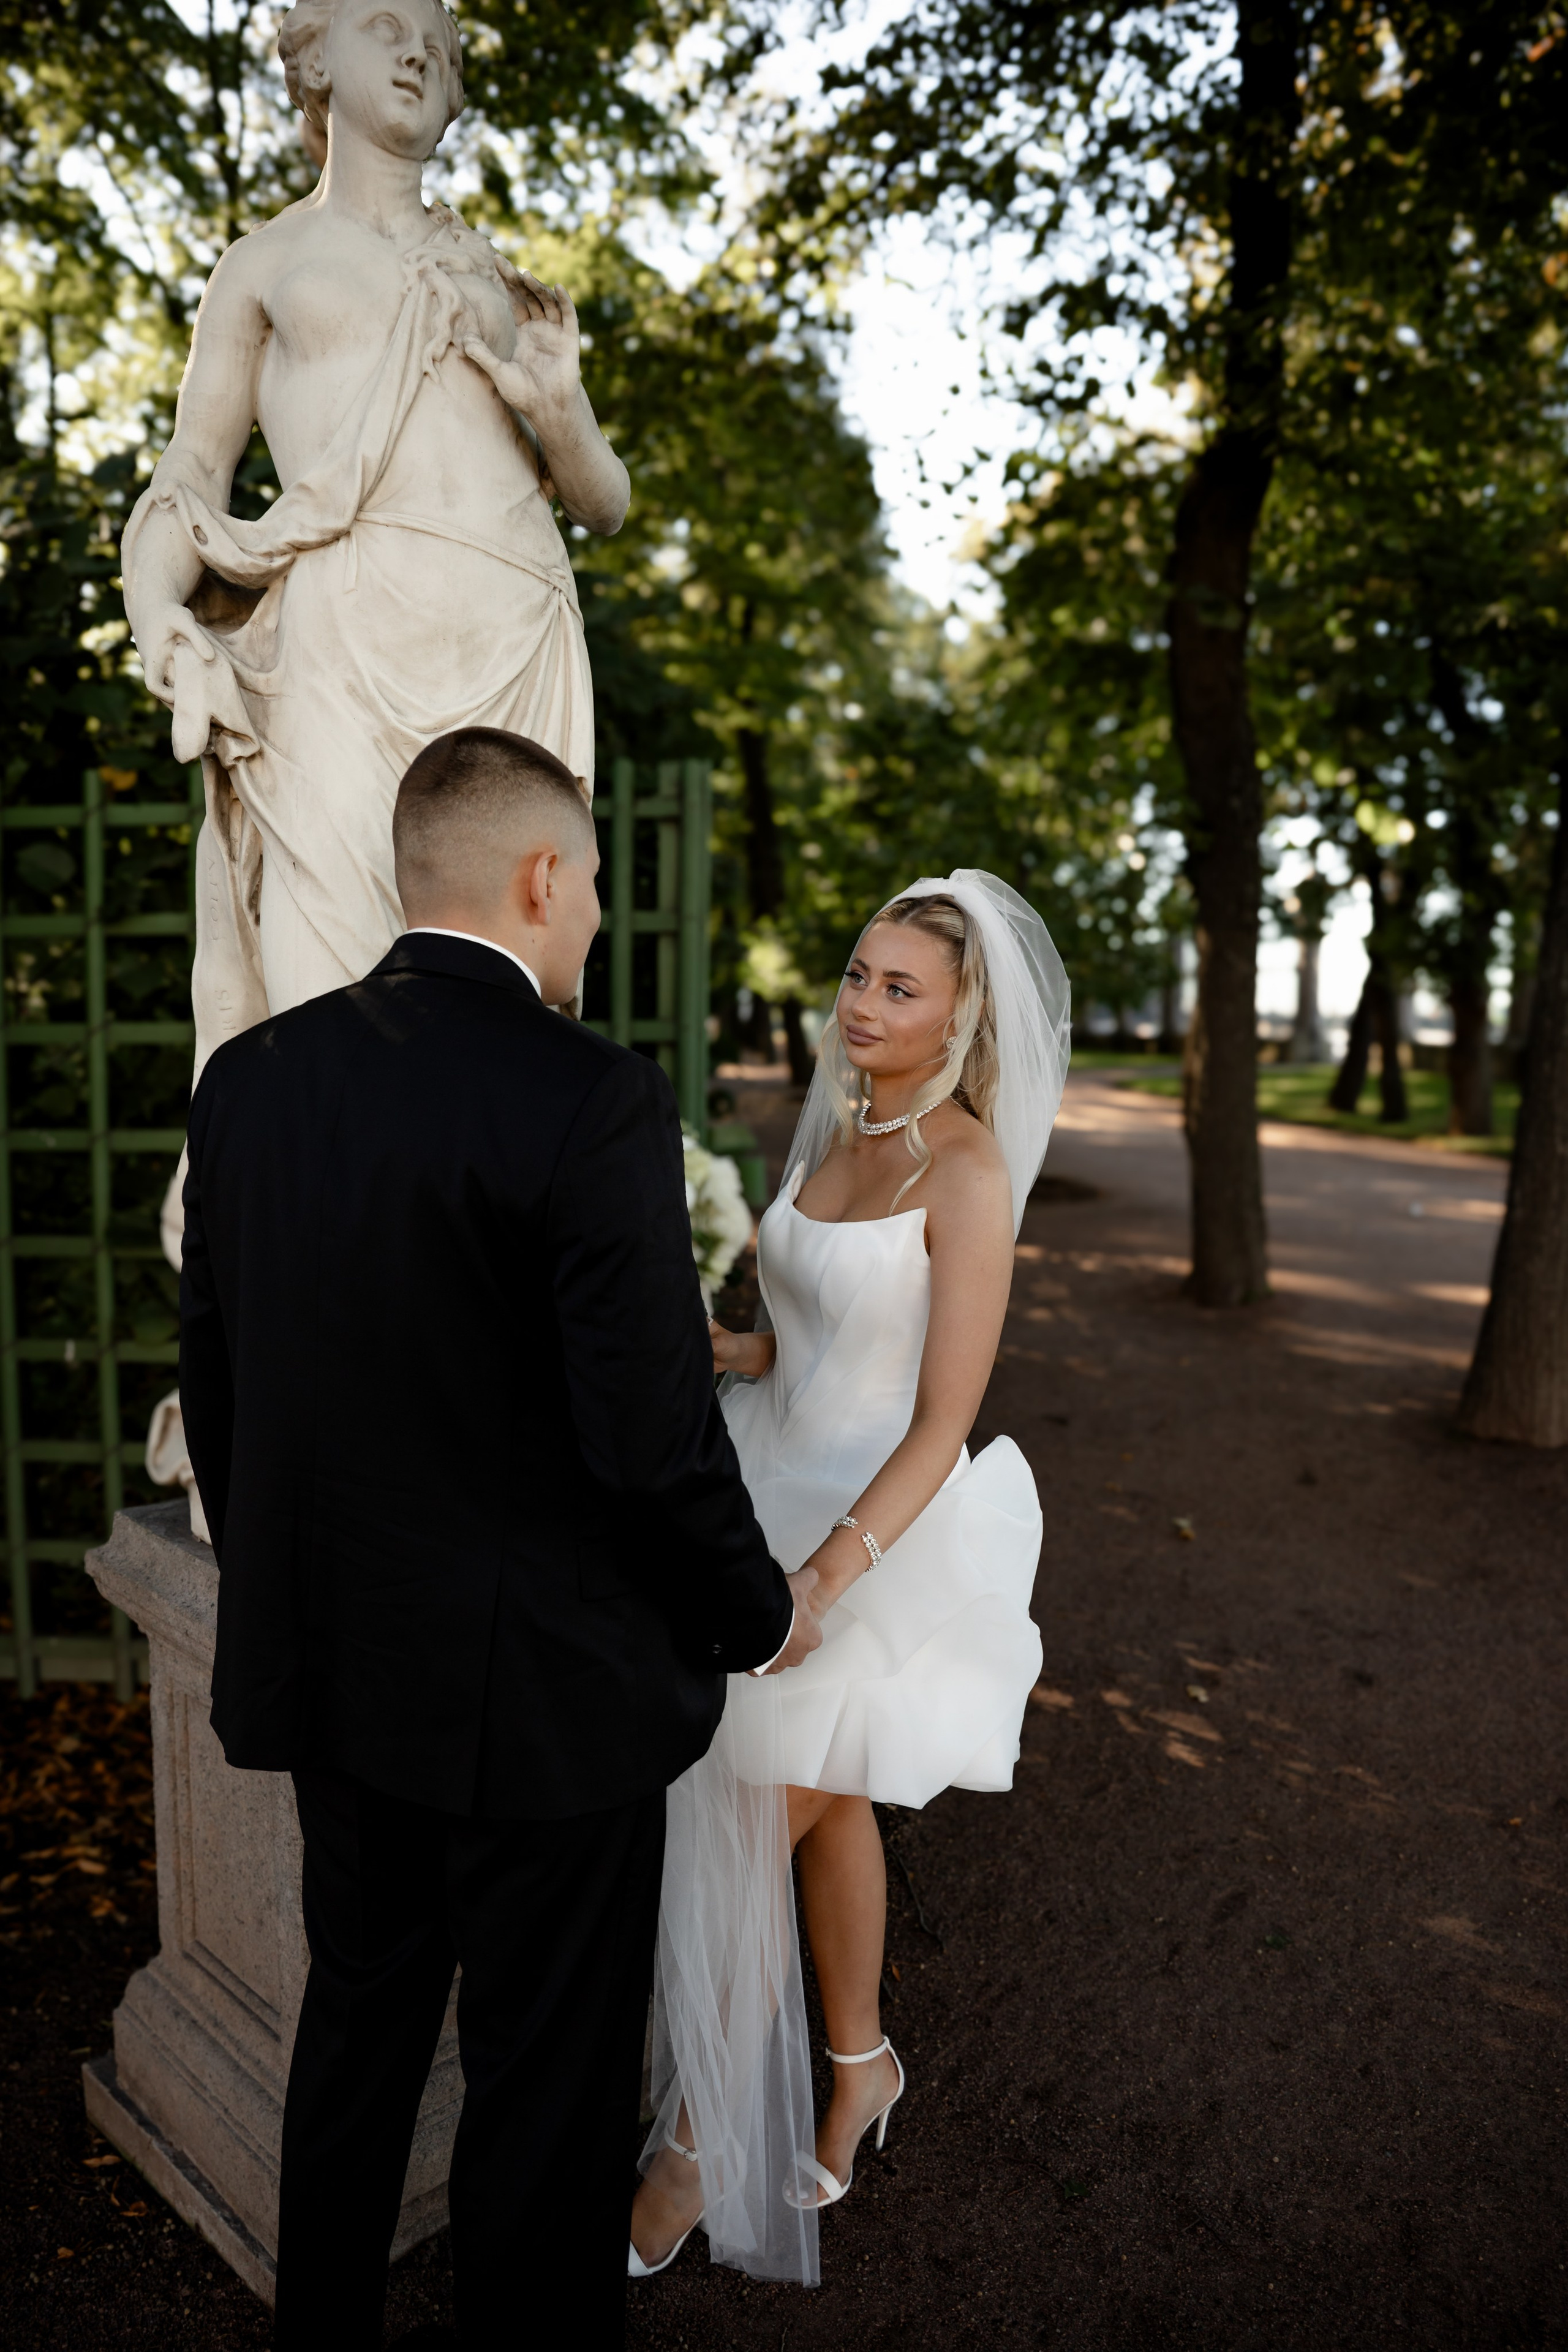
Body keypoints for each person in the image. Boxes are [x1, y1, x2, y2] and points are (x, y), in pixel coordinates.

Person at [178, 726, 820, 2350]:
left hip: (342, 1679)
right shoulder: (591, 1096)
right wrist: (758, 1610)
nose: (595, 918)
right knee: (545, 2084)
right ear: (541, 877)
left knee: (359, 2037)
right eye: (594, 884)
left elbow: (227, 1388)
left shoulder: (253, 1082)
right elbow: (648, 1439)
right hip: (552, 1706)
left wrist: (298, 1601)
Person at [628, 872, 1071, 2286]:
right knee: (816, 1812)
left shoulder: (968, 1172)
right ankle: (861, 2062)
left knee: (750, 1829)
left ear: (960, 1016)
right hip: (762, 1484)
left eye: (899, 988)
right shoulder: (830, 1134)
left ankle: (694, 2143)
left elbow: (938, 1417)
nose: (861, 1006)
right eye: (855, 976)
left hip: (879, 1535)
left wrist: (819, 1579)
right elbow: (809, 1328)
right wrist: (733, 1348)